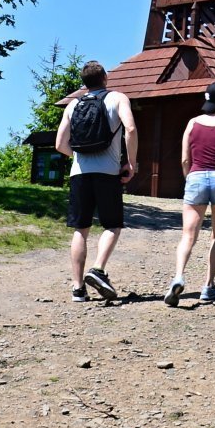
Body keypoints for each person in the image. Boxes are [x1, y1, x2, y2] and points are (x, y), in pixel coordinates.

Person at [54, 60, 137, 301]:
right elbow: (130, 129)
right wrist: (130, 163)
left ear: (84, 82)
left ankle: (78, 288)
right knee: (112, 225)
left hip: (79, 174)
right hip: (108, 173)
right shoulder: (118, 98)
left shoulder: (73, 105)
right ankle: (98, 269)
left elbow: (60, 145)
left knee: (80, 230)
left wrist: (80, 156)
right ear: (105, 78)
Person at [165, 80, 215, 307]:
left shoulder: (192, 123)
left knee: (188, 235)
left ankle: (178, 276)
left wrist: (190, 177)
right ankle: (208, 287)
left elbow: (184, 159)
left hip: (196, 178)